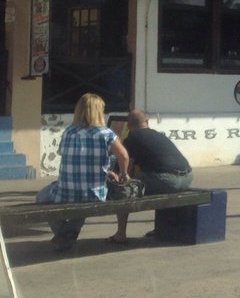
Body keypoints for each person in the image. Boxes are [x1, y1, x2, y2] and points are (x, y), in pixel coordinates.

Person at [35, 93, 130, 252]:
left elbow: (70, 157)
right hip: (94, 194)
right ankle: (66, 235)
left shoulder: (68, 132)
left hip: (65, 192)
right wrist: (123, 173)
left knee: (41, 198)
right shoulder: (106, 134)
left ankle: (62, 233)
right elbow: (123, 155)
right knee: (83, 197)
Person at [108, 109, 193, 243]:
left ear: (129, 126)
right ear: (147, 122)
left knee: (124, 190)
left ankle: (120, 234)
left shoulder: (132, 138)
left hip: (167, 180)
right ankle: (162, 228)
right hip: (187, 177)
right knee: (154, 183)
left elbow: (122, 169)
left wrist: (119, 176)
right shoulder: (159, 135)